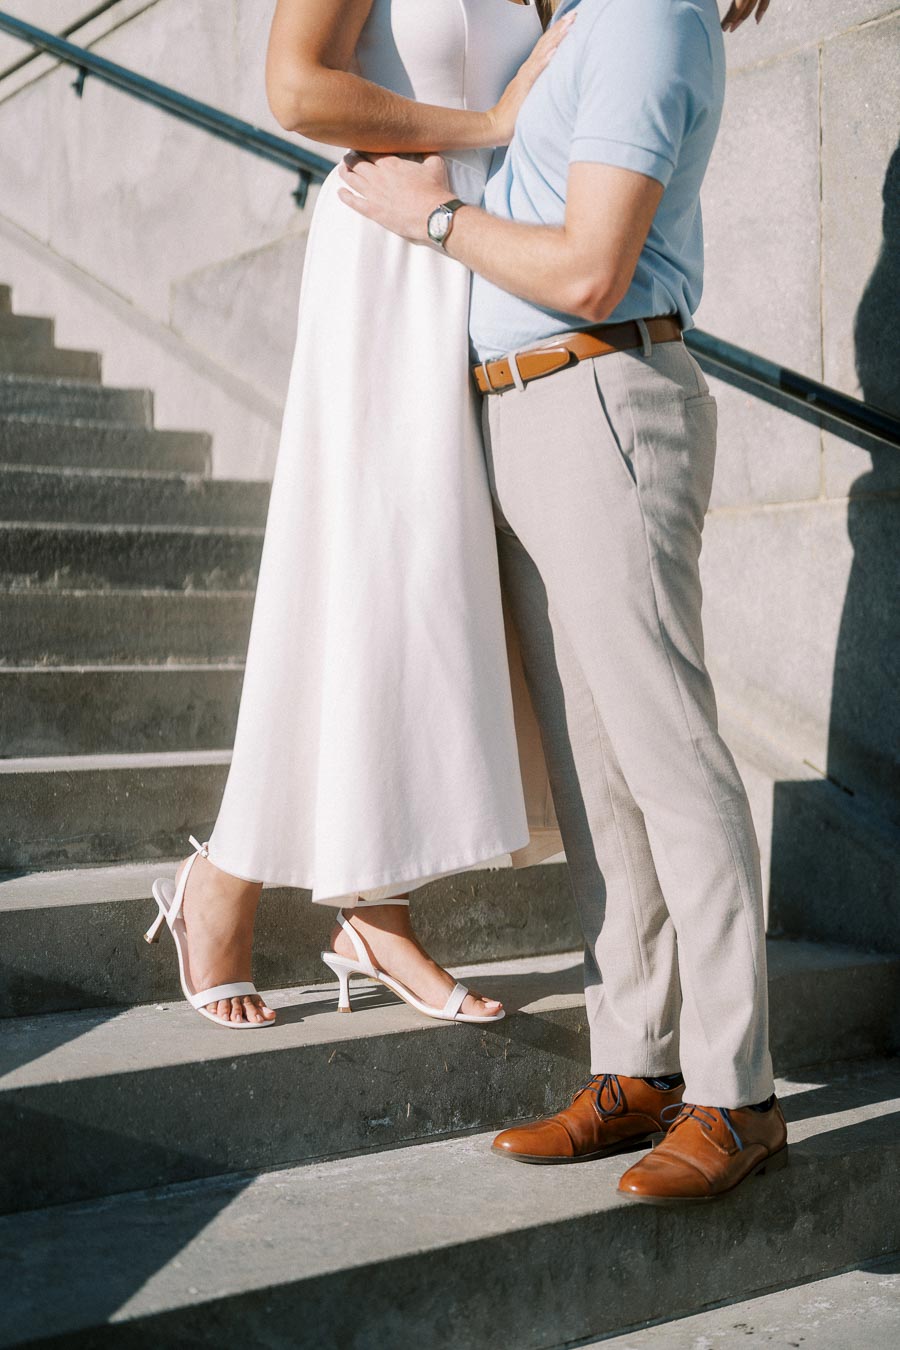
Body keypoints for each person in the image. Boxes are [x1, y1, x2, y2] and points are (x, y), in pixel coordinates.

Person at [337, 0, 787, 1203]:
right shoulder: (591, 23)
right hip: (536, 406)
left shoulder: (647, 17)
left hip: (600, 395)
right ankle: (635, 1066)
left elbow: (590, 265)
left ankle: (736, 1092)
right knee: (600, 775)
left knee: (669, 757)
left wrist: (431, 215)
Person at [144, 0, 571, 1029]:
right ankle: (337, 903)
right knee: (376, 569)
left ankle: (291, 892)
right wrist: (488, 124)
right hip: (388, 258)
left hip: (484, 263)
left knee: (424, 582)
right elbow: (296, 87)